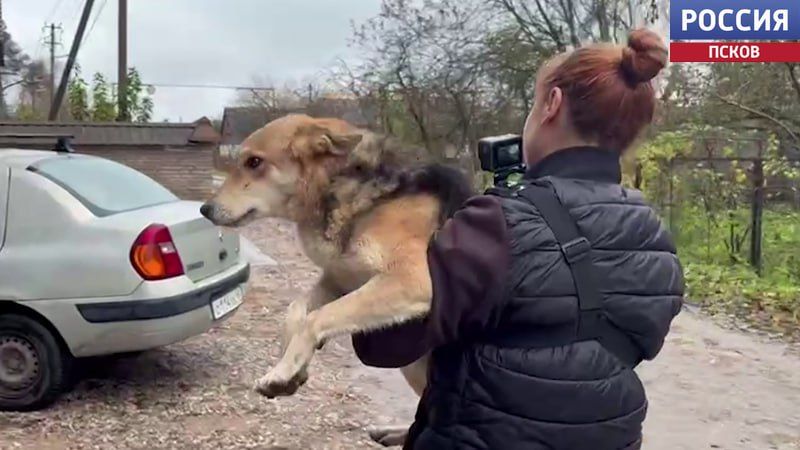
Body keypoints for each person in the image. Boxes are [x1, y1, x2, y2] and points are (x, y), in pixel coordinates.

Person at [352, 28, 684, 450]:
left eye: (533, 103)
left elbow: (381, 343)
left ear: (552, 105)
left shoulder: (496, 222)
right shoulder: (655, 235)